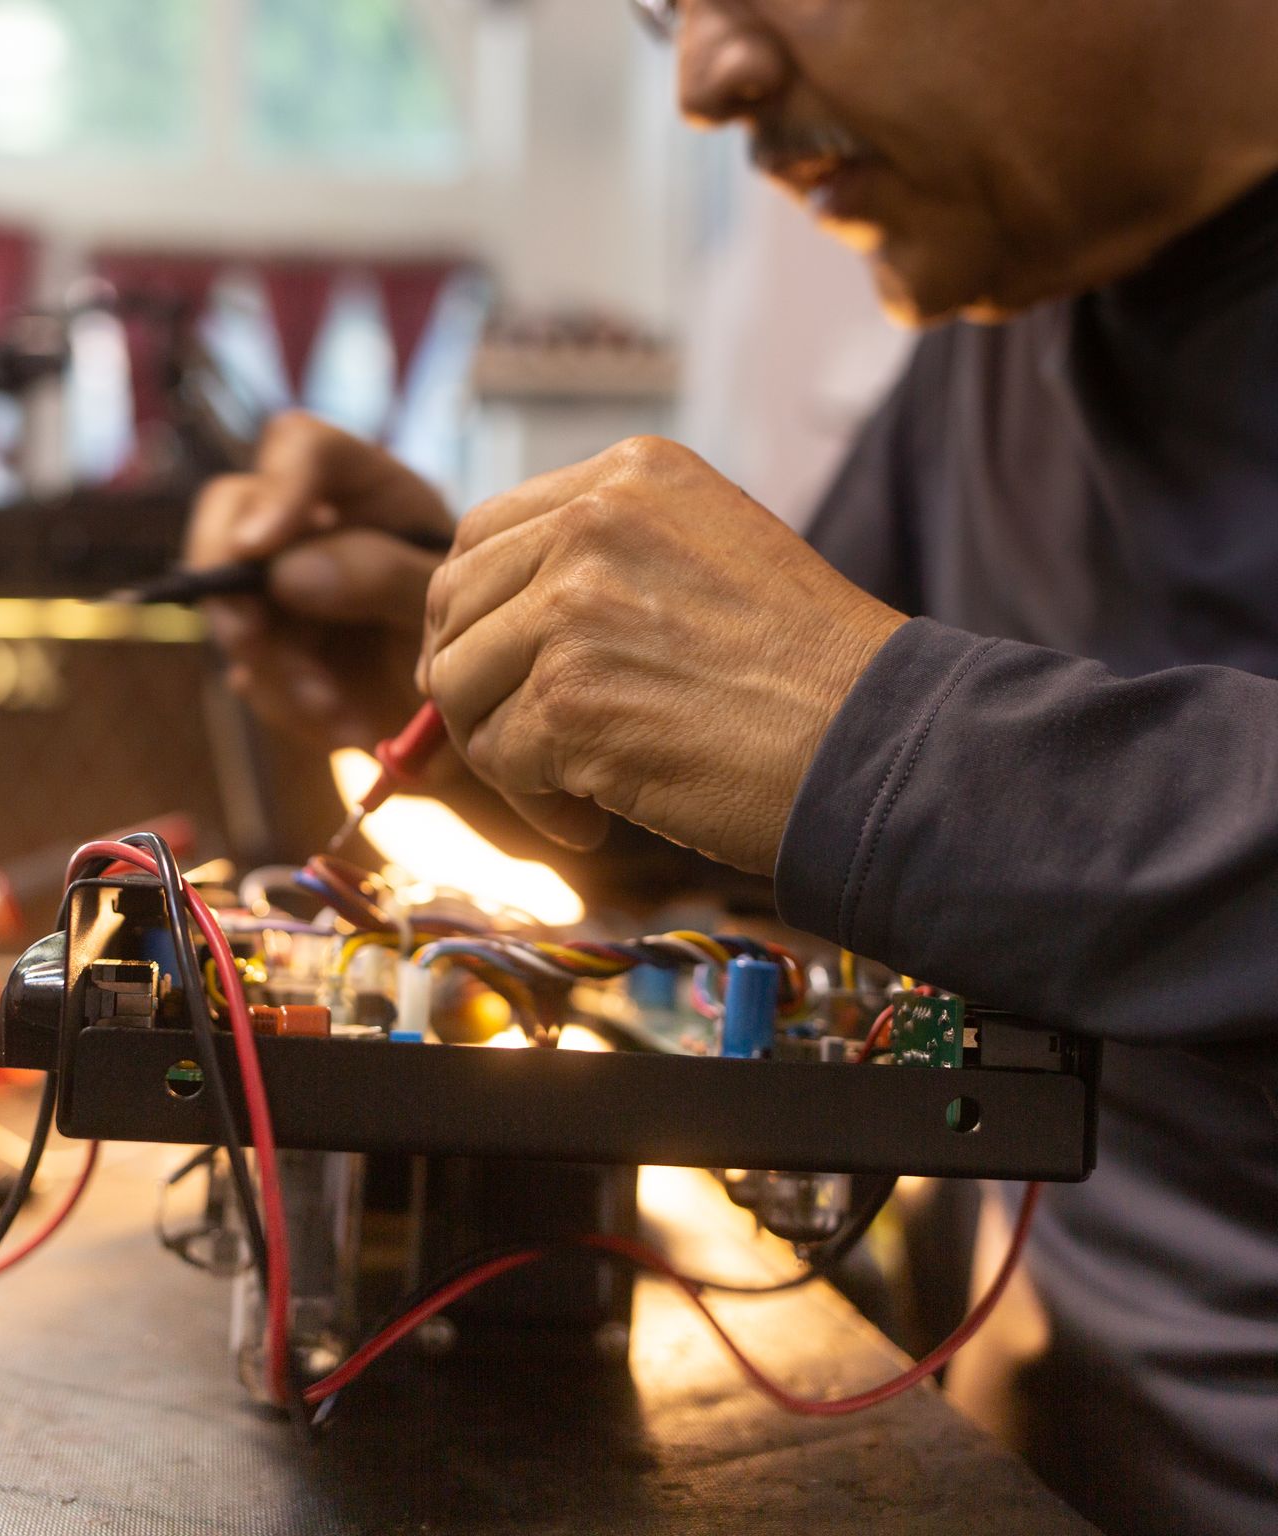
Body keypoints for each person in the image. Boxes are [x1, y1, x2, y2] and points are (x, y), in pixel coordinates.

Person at [188, 3, 1278, 1532]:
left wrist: (882, 739)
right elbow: (800, 804)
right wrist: (489, 678)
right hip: (1030, 1452)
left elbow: (883, 751)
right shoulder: (1000, 339)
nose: (706, 78)